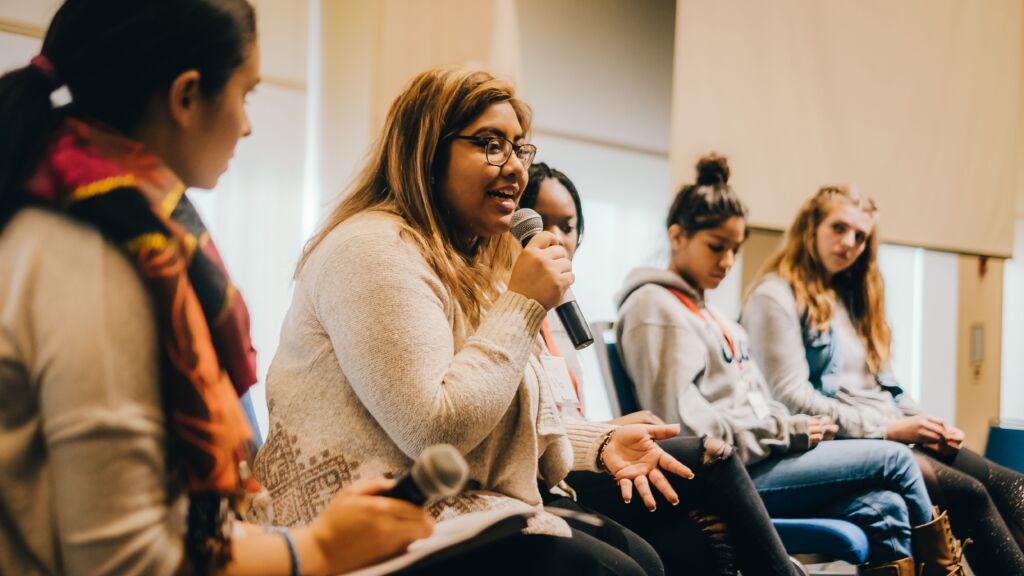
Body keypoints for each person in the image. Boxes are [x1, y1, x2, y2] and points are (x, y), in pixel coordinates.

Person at [0, 2, 536, 574]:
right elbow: (124, 561)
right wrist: (319, 547)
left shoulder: (125, 231)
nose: (249, 123)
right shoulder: (95, 260)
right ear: (186, 97)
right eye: (246, 94)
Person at [253, 67, 694, 576]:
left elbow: (495, 416)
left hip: (445, 499)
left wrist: (598, 443)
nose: (513, 168)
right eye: (489, 144)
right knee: (614, 570)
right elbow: (435, 431)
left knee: (643, 557)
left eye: (518, 148)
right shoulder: (373, 250)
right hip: (350, 515)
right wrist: (523, 306)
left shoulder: (462, 258)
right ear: (428, 153)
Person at [615, 155, 966, 576]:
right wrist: (789, 431)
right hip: (728, 476)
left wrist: (789, 429)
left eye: (734, 249)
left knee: (885, 507)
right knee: (897, 460)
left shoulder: (707, 311)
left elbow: (757, 406)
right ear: (677, 236)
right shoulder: (656, 307)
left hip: (759, 459)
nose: (727, 262)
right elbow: (685, 435)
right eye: (716, 247)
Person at [520, 162, 802, 576]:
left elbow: (564, 416)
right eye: (545, 224)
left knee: (702, 535)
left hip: (575, 450)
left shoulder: (563, 311)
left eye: (569, 225)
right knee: (714, 457)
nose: (559, 238)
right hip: (550, 471)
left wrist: (607, 427)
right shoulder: (649, 305)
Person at [742, 184, 1024, 576]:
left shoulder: (853, 298)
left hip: (886, 429)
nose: (850, 243)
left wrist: (927, 423)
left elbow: (886, 387)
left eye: (861, 236)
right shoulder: (776, 296)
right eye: (839, 228)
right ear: (811, 228)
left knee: (1013, 486)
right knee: (969, 494)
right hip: (843, 440)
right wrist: (891, 428)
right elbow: (791, 397)